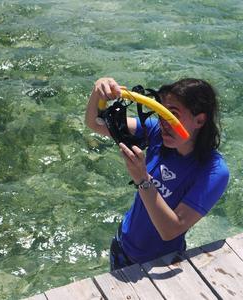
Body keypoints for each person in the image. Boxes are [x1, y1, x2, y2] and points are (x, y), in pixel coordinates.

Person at [85, 77, 229, 271]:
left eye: (172, 115)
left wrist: (143, 179)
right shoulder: (155, 132)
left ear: (200, 120)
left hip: (162, 265)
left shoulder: (213, 170)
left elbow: (171, 230)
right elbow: (96, 124)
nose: (164, 122)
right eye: (162, 112)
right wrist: (98, 91)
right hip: (122, 245)